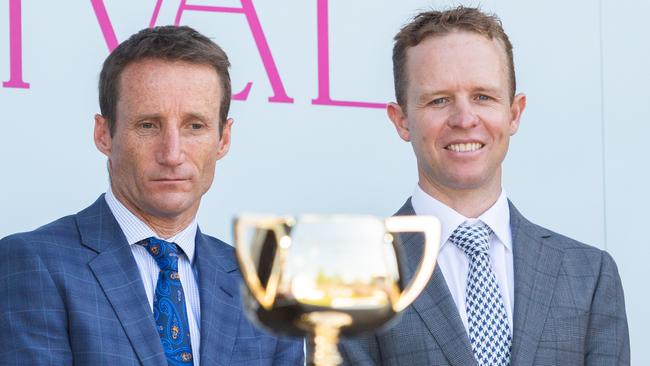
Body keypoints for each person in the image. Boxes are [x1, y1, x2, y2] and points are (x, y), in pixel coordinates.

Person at [340, 6, 629, 366]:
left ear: (514, 113)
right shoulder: (352, 274)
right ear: (401, 121)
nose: (464, 119)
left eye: (483, 97)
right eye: (439, 100)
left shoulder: (589, 274)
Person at [0, 25, 304, 365]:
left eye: (195, 126)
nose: (172, 153)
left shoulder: (265, 284)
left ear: (223, 139)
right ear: (104, 135)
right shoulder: (34, 262)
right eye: (148, 125)